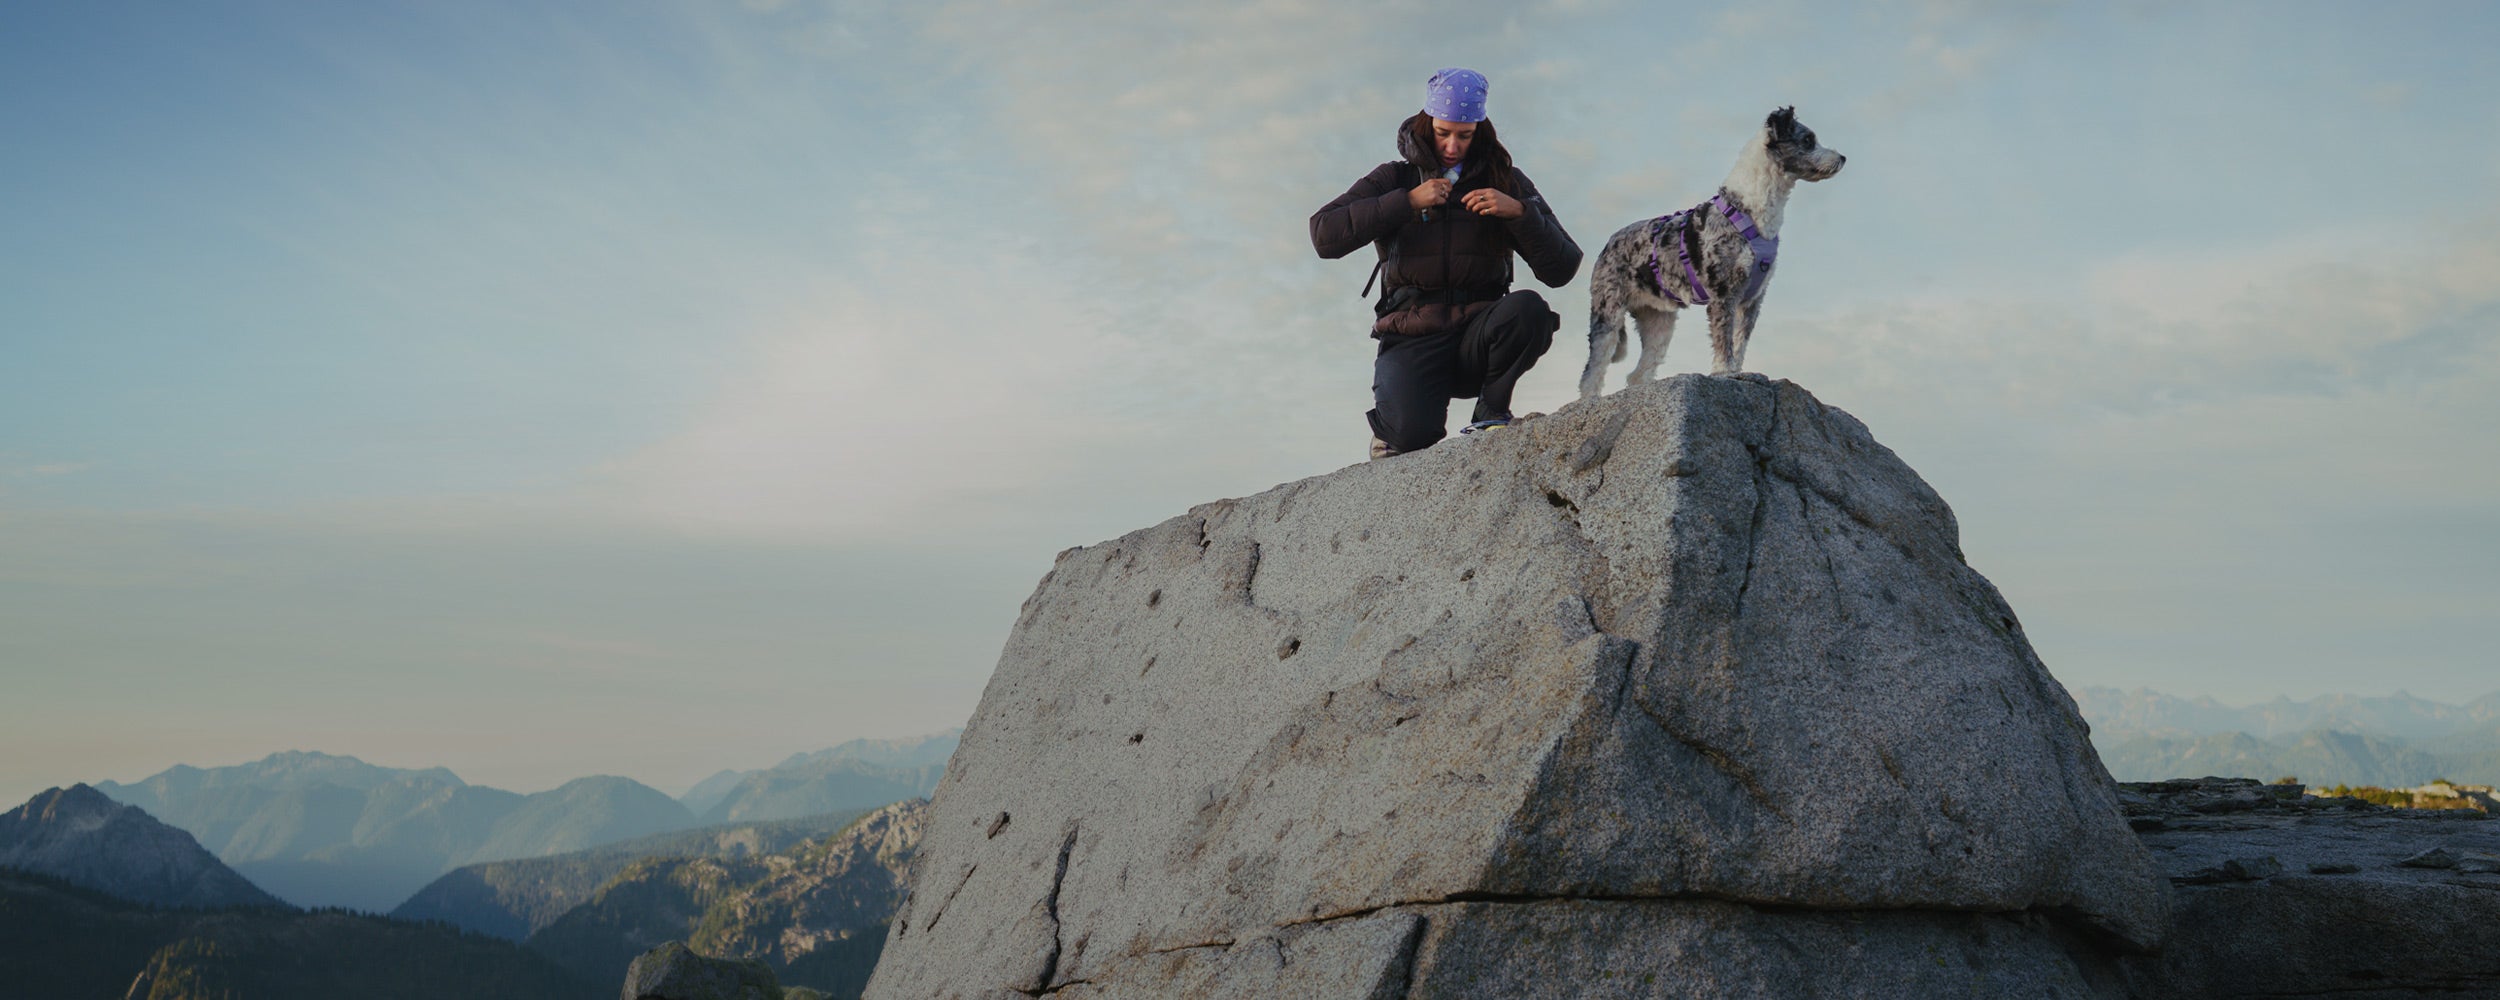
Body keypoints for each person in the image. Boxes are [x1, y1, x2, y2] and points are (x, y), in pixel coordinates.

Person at [1310, 67, 1583, 459]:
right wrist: (1406, 202)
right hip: (1413, 334)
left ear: (1479, 130)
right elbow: (1323, 235)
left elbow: (1563, 268)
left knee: (1529, 309)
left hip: (1479, 338)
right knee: (1411, 436)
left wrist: (1520, 213)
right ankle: (1392, 428)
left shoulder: (1507, 182)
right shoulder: (1395, 177)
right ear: (1427, 123)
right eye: (1443, 133)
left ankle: (1492, 412)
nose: (1452, 146)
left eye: (1464, 135)